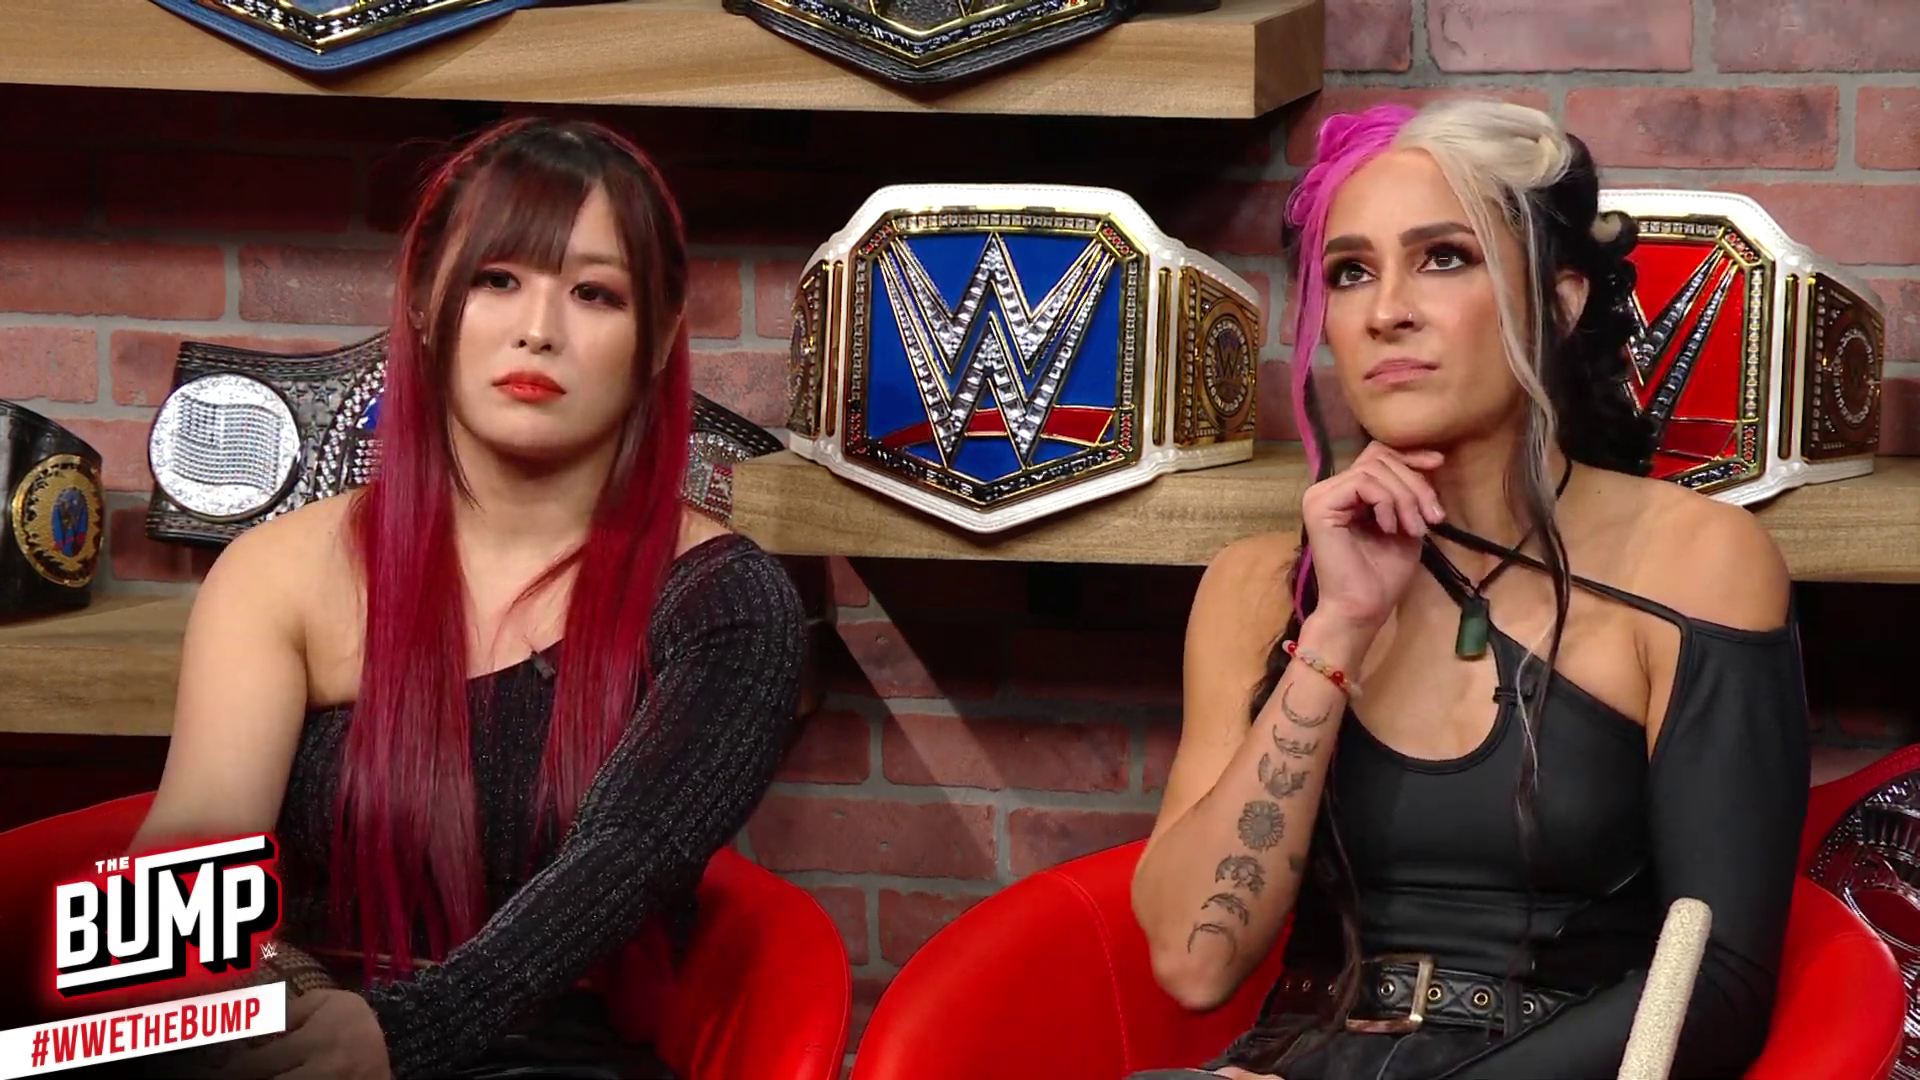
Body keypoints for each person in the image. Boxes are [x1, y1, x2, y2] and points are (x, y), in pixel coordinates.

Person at [1127, 99, 1809, 1080]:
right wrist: (1340, 626)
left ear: (1558, 302)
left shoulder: (1697, 560)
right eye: (1350, 272)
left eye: (1443, 257)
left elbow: (1720, 986)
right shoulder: (1260, 587)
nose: (1386, 310)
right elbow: (1194, 965)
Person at [123, 117, 806, 1079]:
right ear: (424, 304)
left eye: (595, 293)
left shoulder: (729, 604)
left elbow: (625, 859)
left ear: (658, 339)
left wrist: (398, 1037)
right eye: (497, 278)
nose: (539, 329)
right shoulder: (281, 572)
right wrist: (287, 1010)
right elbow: (184, 864)